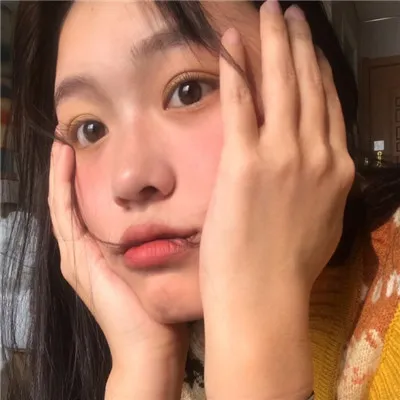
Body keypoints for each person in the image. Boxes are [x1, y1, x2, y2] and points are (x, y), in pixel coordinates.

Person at [1, 0, 399, 399]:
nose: (128, 178)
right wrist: (142, 368)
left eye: (188, 92)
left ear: (316, 84)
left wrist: (253, 341)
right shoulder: (108, 342)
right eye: (90, 129)